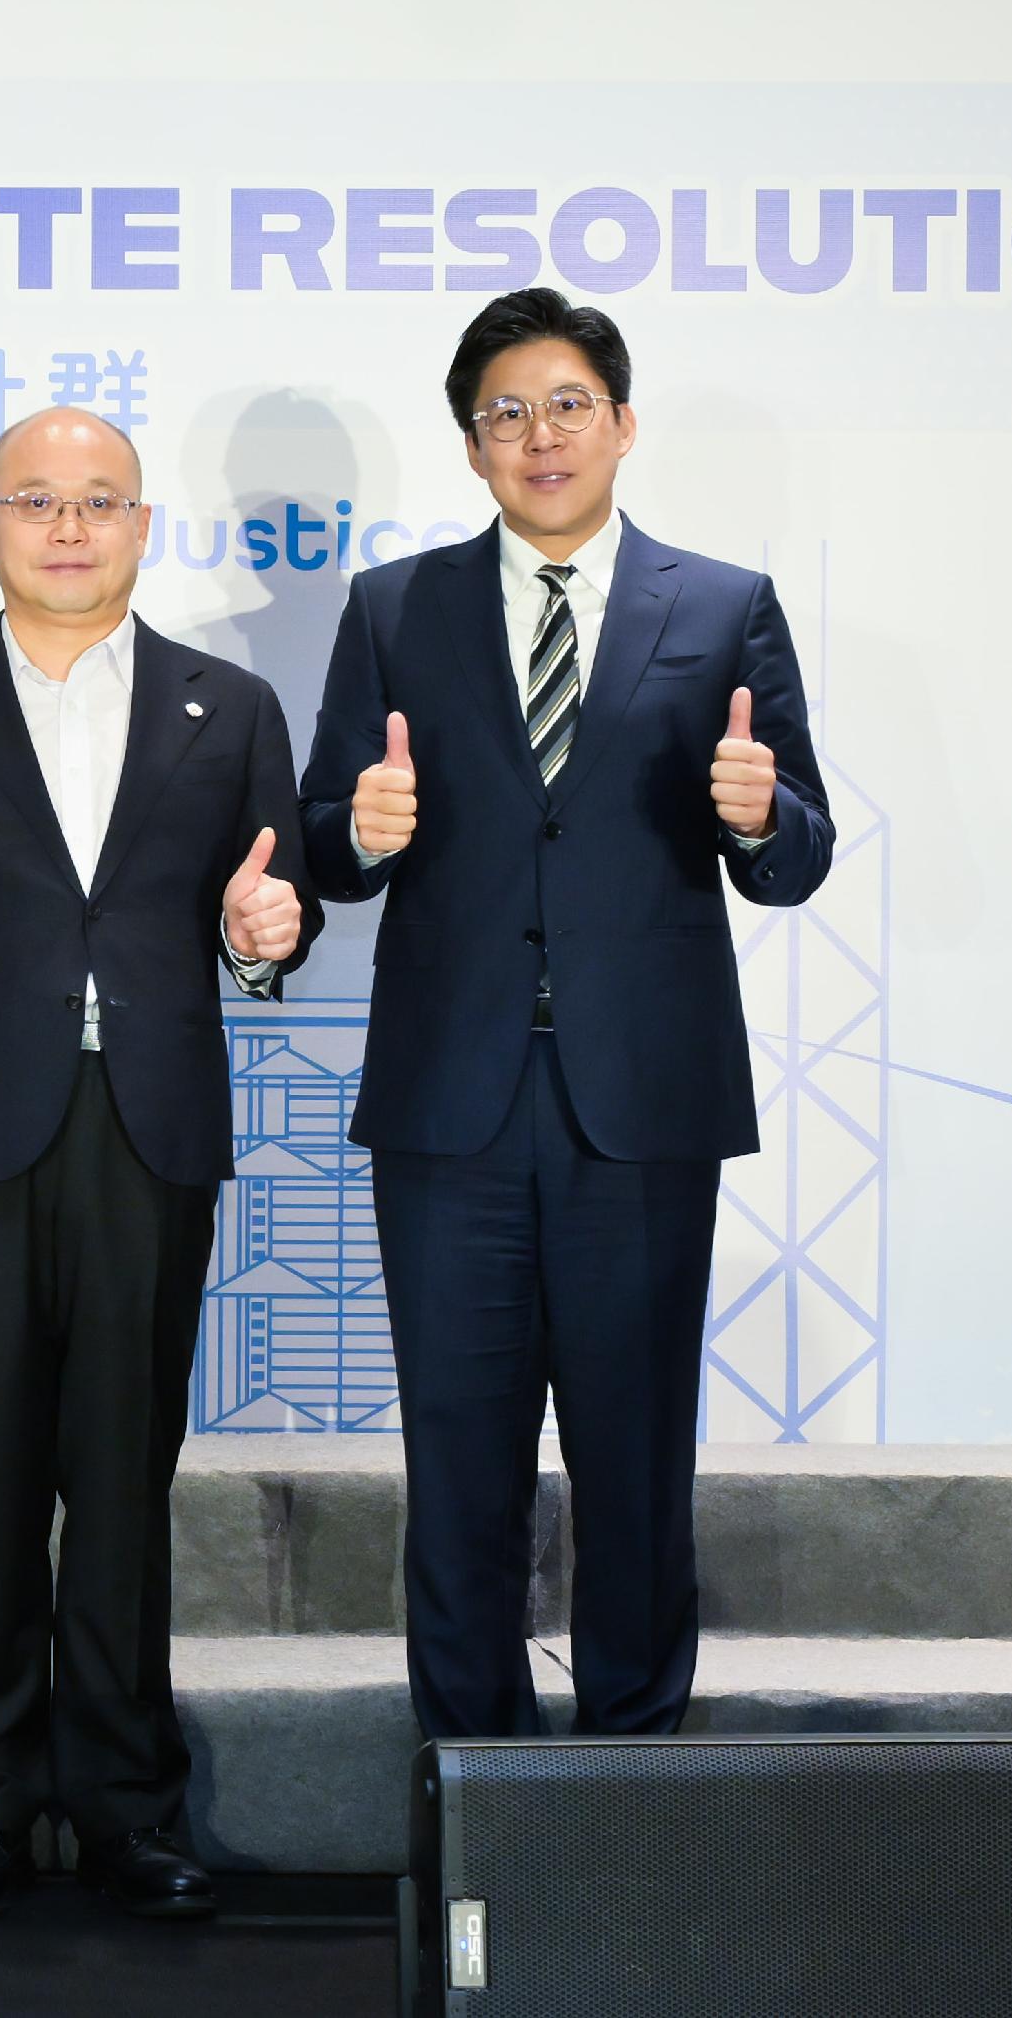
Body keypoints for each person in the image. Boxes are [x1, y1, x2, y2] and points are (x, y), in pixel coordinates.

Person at [298, 287, 832, 1744]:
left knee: (636, 1460)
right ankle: (471, 1790)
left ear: (623, 424)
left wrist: (757, 812)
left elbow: (798, 851)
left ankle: (630, 1792)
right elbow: (324, 839)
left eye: (568, 405)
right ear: (473, 446)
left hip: (641, 1106)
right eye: (507, 413)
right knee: (458, 1468)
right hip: (451, 1104)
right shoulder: (393, 606)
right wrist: (361, 830)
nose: (540, 435)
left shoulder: (721, 605)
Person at [0, 407, 317, 1921]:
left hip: (150, 1132)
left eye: (97, 500)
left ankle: (127, 1802)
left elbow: (271, 914)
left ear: (142, 525)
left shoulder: (230, 707)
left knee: (123, 1482)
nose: (66, 525)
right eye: (35, 500)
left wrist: (266, 937)